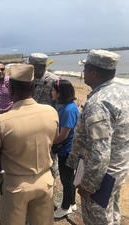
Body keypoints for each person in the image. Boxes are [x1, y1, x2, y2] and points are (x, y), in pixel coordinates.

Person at [0, 64, 59, 225]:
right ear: (33, 87)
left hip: (16, 185)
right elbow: (52, 141)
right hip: (45, 181)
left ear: (10, 88)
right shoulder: (51, 112)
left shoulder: (2, 121)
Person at [66, 49, 129, 225]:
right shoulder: (122, 92)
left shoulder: (98, 103)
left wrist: (88, 185)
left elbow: (100, 152)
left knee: (99, 219)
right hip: (118, 169)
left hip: (102, 177)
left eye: (85, 68)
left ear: (94, 72)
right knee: (113, 215)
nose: (83, 72)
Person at [51, 79, 79, 219]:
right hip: (65, 148)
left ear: (59, 92)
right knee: (69, 178)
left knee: (66, 179)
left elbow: (63, 136)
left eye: (53, 90)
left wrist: (48, 142)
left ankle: (65, 207)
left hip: (67, 150)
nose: (52, 92)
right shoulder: (63, 105)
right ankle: (72, 202)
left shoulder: (69, 109)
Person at [29, 53, 60, 180]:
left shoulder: (54, 80)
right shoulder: (28, 79)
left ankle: (52, 176)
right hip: (31, 122)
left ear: (43, 66)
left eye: (37, 67)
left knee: (50, 152)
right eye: (32, 67)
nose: (35, 70)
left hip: (48, 123)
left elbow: (59, 103)